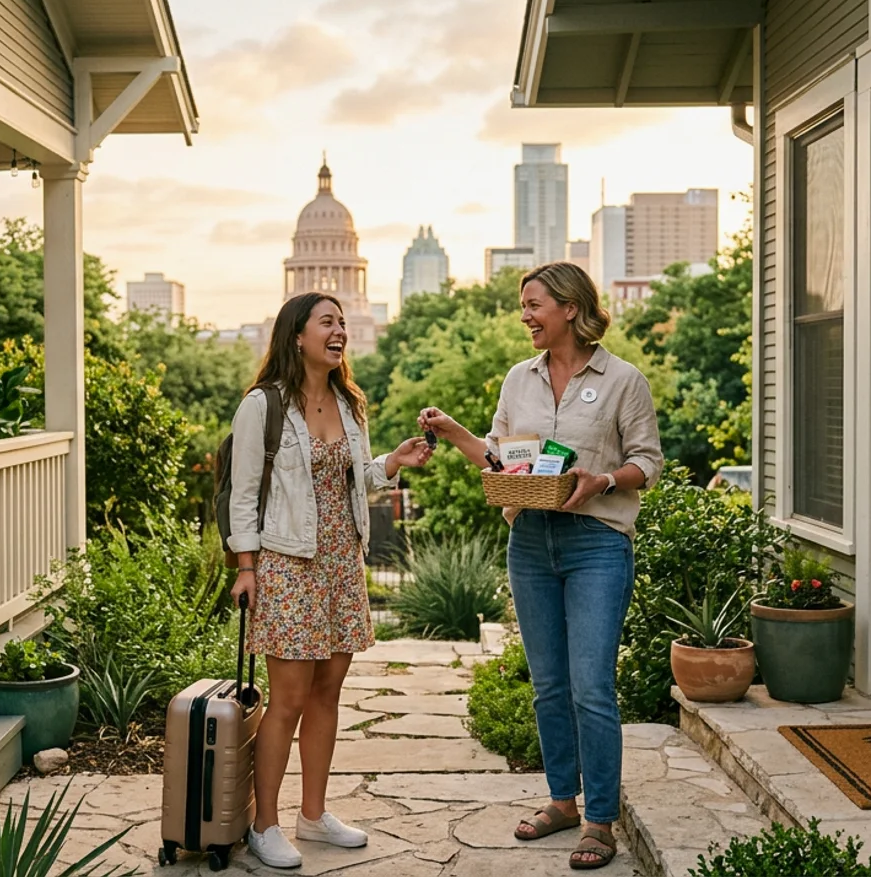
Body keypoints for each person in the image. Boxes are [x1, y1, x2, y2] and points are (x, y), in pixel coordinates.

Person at [418, 262, 663, 871]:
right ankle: (561, 802)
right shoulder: (518, 379)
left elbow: (648, 462)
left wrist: (602, 479)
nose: (524, 315)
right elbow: (502, 459)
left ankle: (600, 820)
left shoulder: (623, 380)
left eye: (534, 305)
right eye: (523, 306)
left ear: (570, 309)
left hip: (597, 543)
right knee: (549, 684)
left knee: (591, 687)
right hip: (529, 540)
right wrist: (452, 431)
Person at [228, 292, 432, 869]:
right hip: (288, 564)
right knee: (288, 699)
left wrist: (391, 462)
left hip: (342, 561)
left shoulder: (349, 402)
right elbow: (244, 495)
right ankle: (264, 825)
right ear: (297, 335)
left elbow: (353, 477)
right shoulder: (263, 406)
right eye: (327, 322)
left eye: (342, 322)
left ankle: (313, 815)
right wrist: (246, 568)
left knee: (327, 693)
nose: (339, 330)